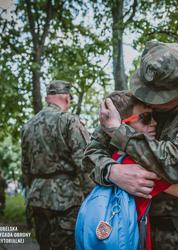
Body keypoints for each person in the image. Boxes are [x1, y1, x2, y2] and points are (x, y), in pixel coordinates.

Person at [83, 41, 178, 249]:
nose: (149, 101)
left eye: (158, 97)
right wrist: (112, 171)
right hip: (144, 230)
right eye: (146, 91)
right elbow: (91, 153)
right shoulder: (137, 101)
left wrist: (120, 132)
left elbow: (176, 166)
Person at [21, 80, 94, 250]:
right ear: (67, 98)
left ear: (48, 98)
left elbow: (25, 167)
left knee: (44, 245)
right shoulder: (68, 121)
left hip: (37, 197)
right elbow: (85, 163)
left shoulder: (28, 126)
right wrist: (93, 199)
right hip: (66, 199)